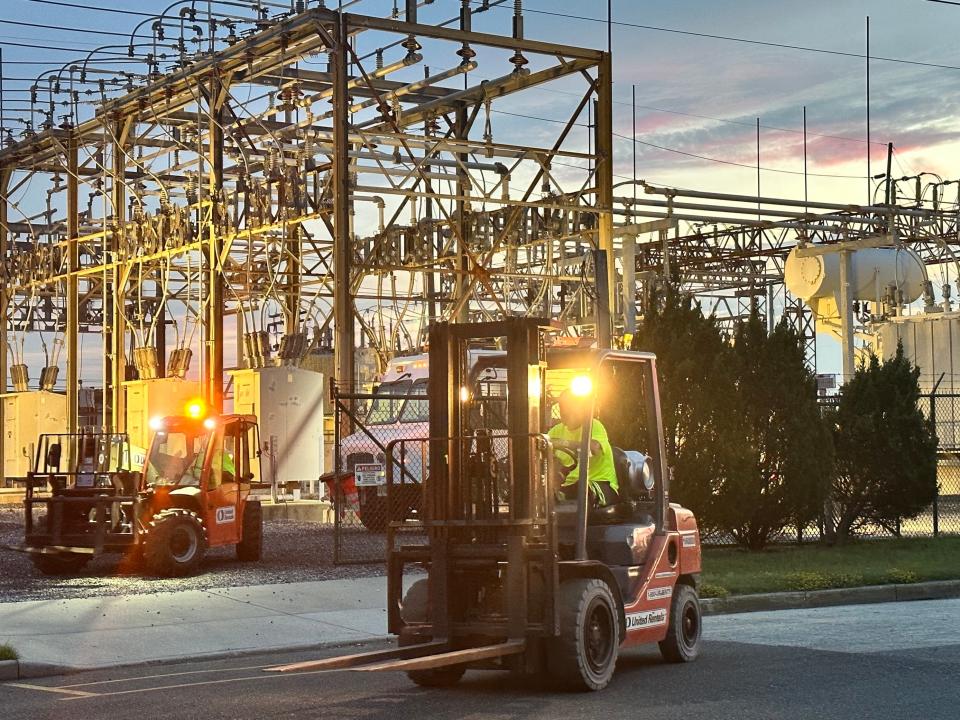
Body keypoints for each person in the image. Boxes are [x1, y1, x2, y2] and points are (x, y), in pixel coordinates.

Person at [547, 389, 619, 507]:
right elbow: (542, 449)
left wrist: (564, 443)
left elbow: (593, 447)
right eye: (562, 407)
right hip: (568, 487)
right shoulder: (556, 431)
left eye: (570, 407)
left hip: (599, 484)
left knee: (582, 489)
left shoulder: (593, 425)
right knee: (541, 494)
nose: (565, 412)